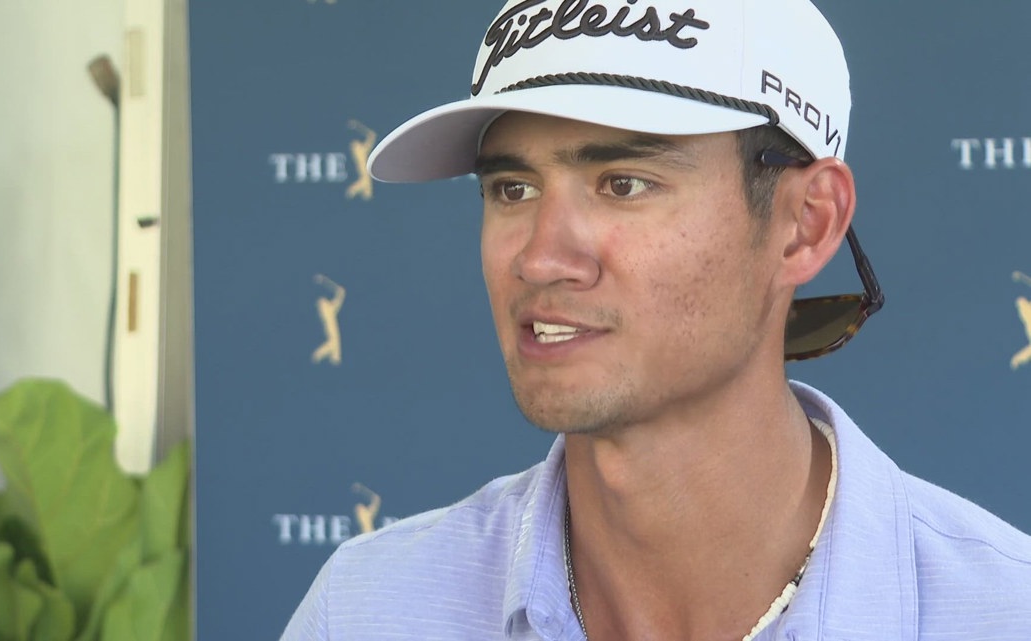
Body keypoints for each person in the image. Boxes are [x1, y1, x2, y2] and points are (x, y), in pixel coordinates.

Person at [282, 0, 1031, 638]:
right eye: (512, 188)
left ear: (806, 223)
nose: (542, 258)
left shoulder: (1003, 612)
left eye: (624, 183)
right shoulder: (365, 610)